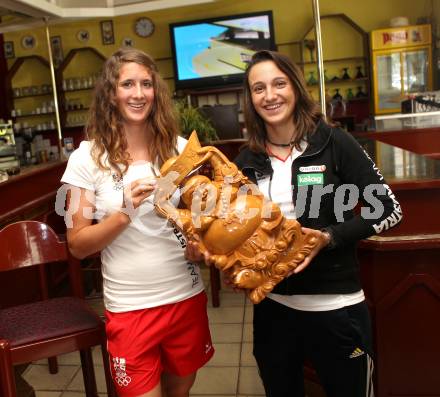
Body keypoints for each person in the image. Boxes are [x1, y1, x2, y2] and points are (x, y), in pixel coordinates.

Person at [234, 50, 403, 397]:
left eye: (279, 83)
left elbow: (388, 209)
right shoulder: (247, 159)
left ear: (295, 87)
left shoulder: (333, 142)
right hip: (273, 311)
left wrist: (329, 236)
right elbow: (241, 228)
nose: (270, 96)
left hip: (336, 309)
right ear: (251, 99)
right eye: (259, 88)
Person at [61, 48, 214, 397]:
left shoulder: (179, 150)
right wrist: (125, 212)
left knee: (181, 390)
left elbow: (200, 223)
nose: (138, 93)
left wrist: (201, 246)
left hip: (186, 297)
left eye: (146, 84)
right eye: (127, 83)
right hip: (130, 309)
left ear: (156, 91)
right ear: (111, 93)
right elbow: (77, 244)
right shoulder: (87, 157)